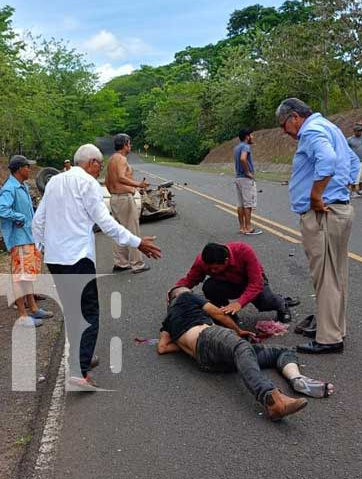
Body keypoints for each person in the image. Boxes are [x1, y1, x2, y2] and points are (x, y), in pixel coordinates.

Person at [32, 144, 162, 389]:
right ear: (90, 162)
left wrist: (42, 250)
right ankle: (79, 373)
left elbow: (38, 220)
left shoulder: (54, 182)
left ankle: (82, 358)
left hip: (55, 259)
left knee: (72, 311)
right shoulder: (88, 183)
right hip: (77, 259)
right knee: (89, 313)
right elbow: (105, 222)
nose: (99, 171)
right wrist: (137, 242)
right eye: (99, 166)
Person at [157, 287, 334, 421]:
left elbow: (162, 348)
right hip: (208, 337)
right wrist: (238, 330)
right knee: (241, 348)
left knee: (280, 351)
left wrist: (184, 342)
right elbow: (217, 313)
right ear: (180, 294)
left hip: (206, 362)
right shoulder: (186, 296)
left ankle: (297, 379)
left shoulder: (168, 321)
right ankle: (272, 400)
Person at [276, 97, 359, 354]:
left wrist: (317, 194)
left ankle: (330, 338)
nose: (284, 131)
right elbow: (353, 162)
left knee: (325, 277)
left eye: (283, 124)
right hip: (339, 208)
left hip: (323, 214)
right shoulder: (329, 127)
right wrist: (339, 188)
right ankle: (334, 327)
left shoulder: (311, 131)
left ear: (294, 117)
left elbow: (328, 159)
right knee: (336, 275)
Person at [0, 155, 53, 327]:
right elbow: (0, 209)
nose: (29, 170)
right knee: (20, 277)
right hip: (19, 239)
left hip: (28, 237)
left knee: (27, 276)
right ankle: (22, 316)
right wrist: (18, 216)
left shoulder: (22, 187)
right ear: (20, 169)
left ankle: (33, 308)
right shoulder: (10, 188)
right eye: (27, 167)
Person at [173, 242, 294, 323]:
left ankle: (282, 304)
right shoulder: (202, 261)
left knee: (266, 302)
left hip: (251, 282)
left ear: (226, 261)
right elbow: (190, 279)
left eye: (215, 268)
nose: (212, 271)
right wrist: (176, 290)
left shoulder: (244, 251)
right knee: (209, 287)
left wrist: (239, 304)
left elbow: (256, 284)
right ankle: (228, 316)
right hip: (228, 284)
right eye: (209, 268)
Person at [105, 133, 151, 274]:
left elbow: (108, 181)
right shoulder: (121, 159)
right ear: (125, 145)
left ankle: (121, 262)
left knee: (120, 231)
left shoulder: (112, 159)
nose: (130, 146)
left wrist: (116, 192)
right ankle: (137, 263)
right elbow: (120, 177)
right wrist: (138, 184)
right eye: (129, 143)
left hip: (115, 198)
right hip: (124, 198)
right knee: (132, 230)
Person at [233, 128, 262, 235]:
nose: (252, 137)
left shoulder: (236, 148)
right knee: (248, 204)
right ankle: (248, 227)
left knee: (240, 204)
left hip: (238, 178)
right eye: (251, 135)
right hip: (245, 179)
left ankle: (242, 227)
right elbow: (243, 158)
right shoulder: (246, 146)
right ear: (247, 136)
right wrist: (248, 172)